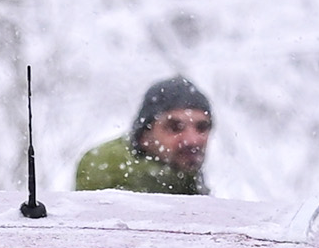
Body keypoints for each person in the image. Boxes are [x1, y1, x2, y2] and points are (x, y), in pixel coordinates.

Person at [74, 77, 214, 194]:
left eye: (202, 127)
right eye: (174, 127)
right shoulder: (109, 166)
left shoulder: (182, 172)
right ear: (145, 134)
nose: (192, 140)